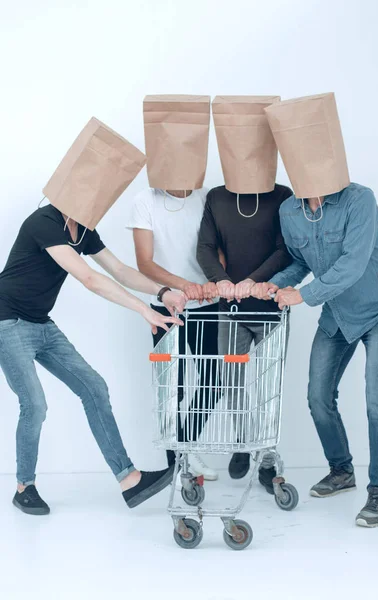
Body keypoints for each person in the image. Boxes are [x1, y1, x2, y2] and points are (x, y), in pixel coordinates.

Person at [0, 118, 185, 515]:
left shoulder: (83, 229)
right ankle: (23, 487)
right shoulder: (43, 222)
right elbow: (87, 278)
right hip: (8, 323)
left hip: (41, 325)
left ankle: (130, 481)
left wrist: (162, 292)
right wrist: (143, 311)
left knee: (94, 388)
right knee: (34, 402)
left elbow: (117, 270)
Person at [253, 93, 378, 527]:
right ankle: (342, 471)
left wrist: (302, 296)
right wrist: (276, 284)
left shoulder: (360, 199)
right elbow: (302, 262)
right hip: (336, 315)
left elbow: (353, 264)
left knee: (377, 399)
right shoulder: (289, 210)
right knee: (318, 398)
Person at [197, 95, 293, 493]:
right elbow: (204, 247)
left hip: (271, 306)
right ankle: (243, 440)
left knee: (270, 387)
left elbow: (285, 249)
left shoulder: (282, 195)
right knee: (233, 380)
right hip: (230, 309)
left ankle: (268, 457)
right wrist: (221, 281)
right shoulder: (217, 197)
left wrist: (252, 280)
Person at [132, 95, 220, 480]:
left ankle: (185, 447)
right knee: (172, 386)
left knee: (214, 381)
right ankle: (176, 467)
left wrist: (215, 284)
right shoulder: (144, 200)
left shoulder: (207, 198)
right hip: (166, 306)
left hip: (207, 305)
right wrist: (184, 286)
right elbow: (144, 262)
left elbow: (220, 250)